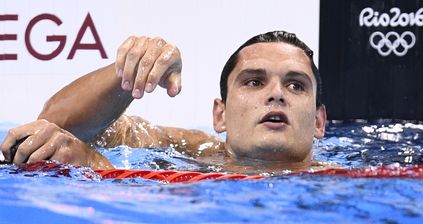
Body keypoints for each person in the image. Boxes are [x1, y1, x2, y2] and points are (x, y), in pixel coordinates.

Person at [0, 31, 327, 174]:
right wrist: (126, 77)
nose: (276, 94)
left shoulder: (351, 181)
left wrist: (98, 166)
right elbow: (53, 126)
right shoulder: (190, 150)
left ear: (319, 122)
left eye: (296, 85)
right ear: (220, 115)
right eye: (254, 81)